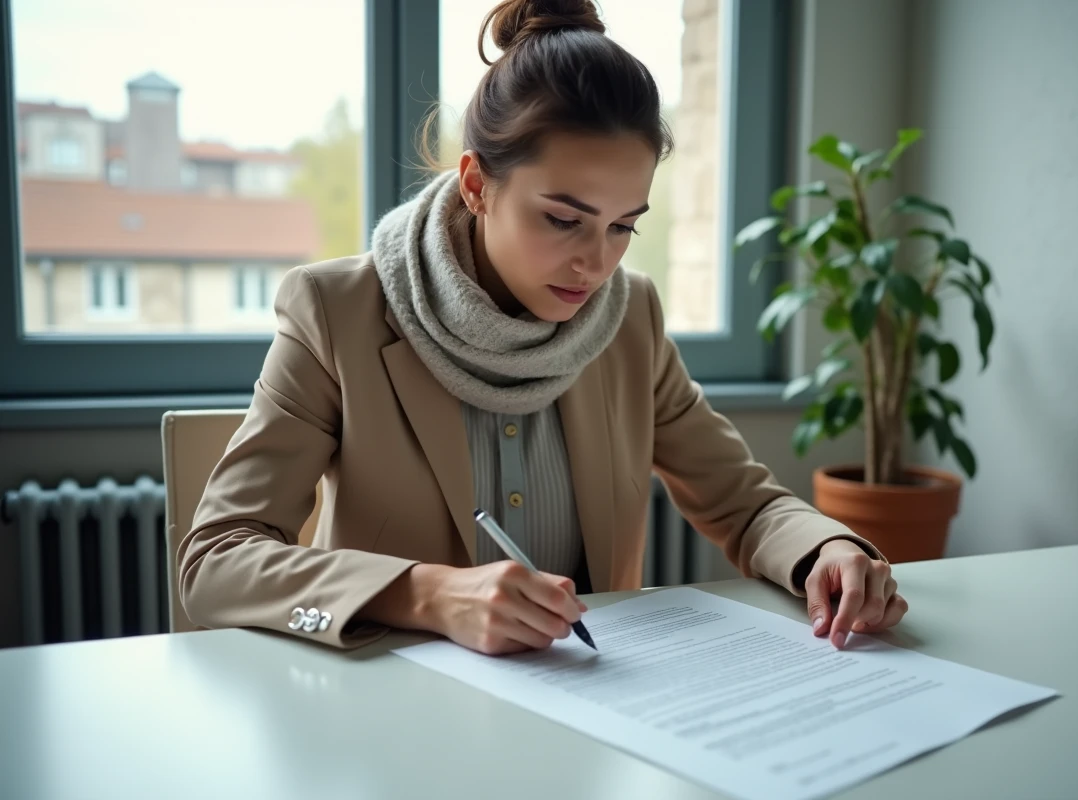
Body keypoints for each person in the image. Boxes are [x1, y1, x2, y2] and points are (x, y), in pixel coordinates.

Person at [179, 0, 907, 656]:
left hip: (597, 710)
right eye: (563, 219)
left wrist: (828, 552)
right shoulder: (336, 311)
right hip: (396, 723)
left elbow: (743, 504)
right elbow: (215, 561)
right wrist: (426, 594)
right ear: (476, 184)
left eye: (623, 225)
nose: (596, 262)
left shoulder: (631, 318)